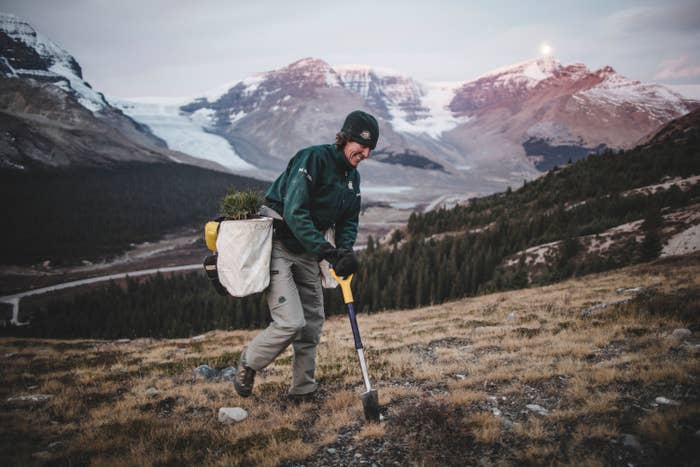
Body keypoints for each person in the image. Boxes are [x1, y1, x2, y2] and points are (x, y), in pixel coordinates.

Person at [233, 110, 379, 400]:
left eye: (370, 149)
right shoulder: (312, 159)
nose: (365, 153)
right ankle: (248, 362)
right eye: (361, 146)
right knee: (291, 322)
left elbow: (348, 219)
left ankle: (303, 390)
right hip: (278, 247)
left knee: (312, 324)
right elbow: (295, 213)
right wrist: (327, 251)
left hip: (307, 253)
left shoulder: (353, 179)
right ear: (345, 137)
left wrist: (344, 251)